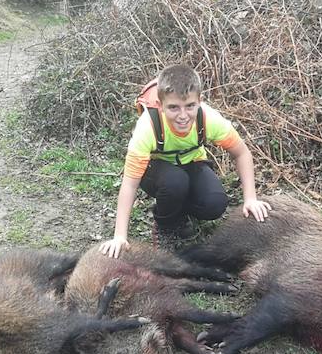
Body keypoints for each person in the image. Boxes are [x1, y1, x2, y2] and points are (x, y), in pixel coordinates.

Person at [99, 63, 270, 258]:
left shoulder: (209, 118)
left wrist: (250, 198)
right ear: (160, 106)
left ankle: (179, 212)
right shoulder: (147, 127)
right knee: (175, 182)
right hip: (156, 172)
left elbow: (241, 153)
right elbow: (129, 184)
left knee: (215, 203)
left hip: (193, 164)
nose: (183, 116)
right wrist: (120, 235)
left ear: (200, 101)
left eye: (190, 106)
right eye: (173, 107)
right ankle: (165, 225)